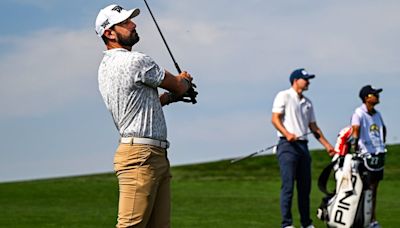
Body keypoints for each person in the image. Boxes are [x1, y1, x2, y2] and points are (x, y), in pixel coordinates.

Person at [95, 4, 197, 228]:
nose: (133, 24)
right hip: (141, 156)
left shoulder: (105, 67)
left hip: (151, 154)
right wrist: (185, 80)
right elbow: (178, 84)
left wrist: (171, 98)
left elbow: (141, 105)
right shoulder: (136, 61)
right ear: (109, 33)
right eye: (124, 23)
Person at [271, 68, 335, 228]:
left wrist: (327, 145)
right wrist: (286, 133)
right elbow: (275, 119)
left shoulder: (308, 103)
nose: (308, 82)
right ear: (295, 80)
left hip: (303, 146)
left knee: (304, 188)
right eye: (305, 79)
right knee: (288, 187)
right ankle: (287, 224)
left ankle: (306, 223)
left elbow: (313, 127)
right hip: (287, 145)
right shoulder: (283, 96)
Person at [351, 85, 386, 228]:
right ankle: (361, 220)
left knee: (374, 189)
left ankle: (371, 220)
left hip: (377, 155)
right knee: (364, 189)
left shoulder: (377, 114)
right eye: (374, 95)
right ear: (366, 98)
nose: (377, 96)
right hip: (365, 155)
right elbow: (355, 132)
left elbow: (383, 130)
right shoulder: (358, 113)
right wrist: (355, 151)